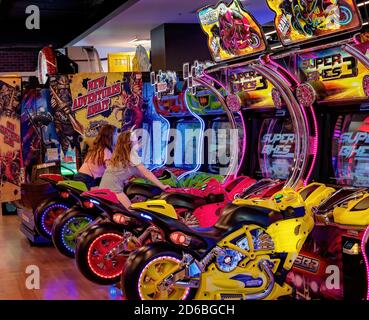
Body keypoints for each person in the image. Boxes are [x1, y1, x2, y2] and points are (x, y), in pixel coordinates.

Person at [99, 130, 170, 210]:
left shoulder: (123, 153)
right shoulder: (132, 154)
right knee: (131, 210)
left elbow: (138, 173)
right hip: (113, 187)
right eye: (136, 140)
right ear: (130, 143)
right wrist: (162, 186)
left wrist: (155, 178)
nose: (137, 141)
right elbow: (146, 173)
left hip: (105, 183)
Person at [74, 124, 118, 189]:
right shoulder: (106, 150)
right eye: (116, 134)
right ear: (111, 136)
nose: (117, 136)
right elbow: (111, 169)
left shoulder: (97, 148)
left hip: (80, 176)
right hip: (86, 179)